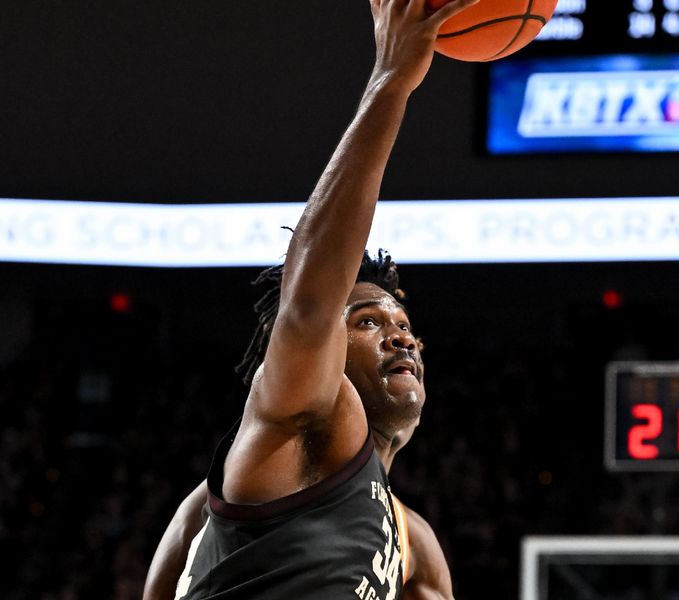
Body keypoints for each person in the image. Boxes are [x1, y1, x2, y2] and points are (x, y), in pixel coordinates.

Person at [143, 0, 477, 598]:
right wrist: (391, 80)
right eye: (368, 321)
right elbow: (309, 304)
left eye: (404, 323)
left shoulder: (412, 541)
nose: (401, 335)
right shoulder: (303, 417)